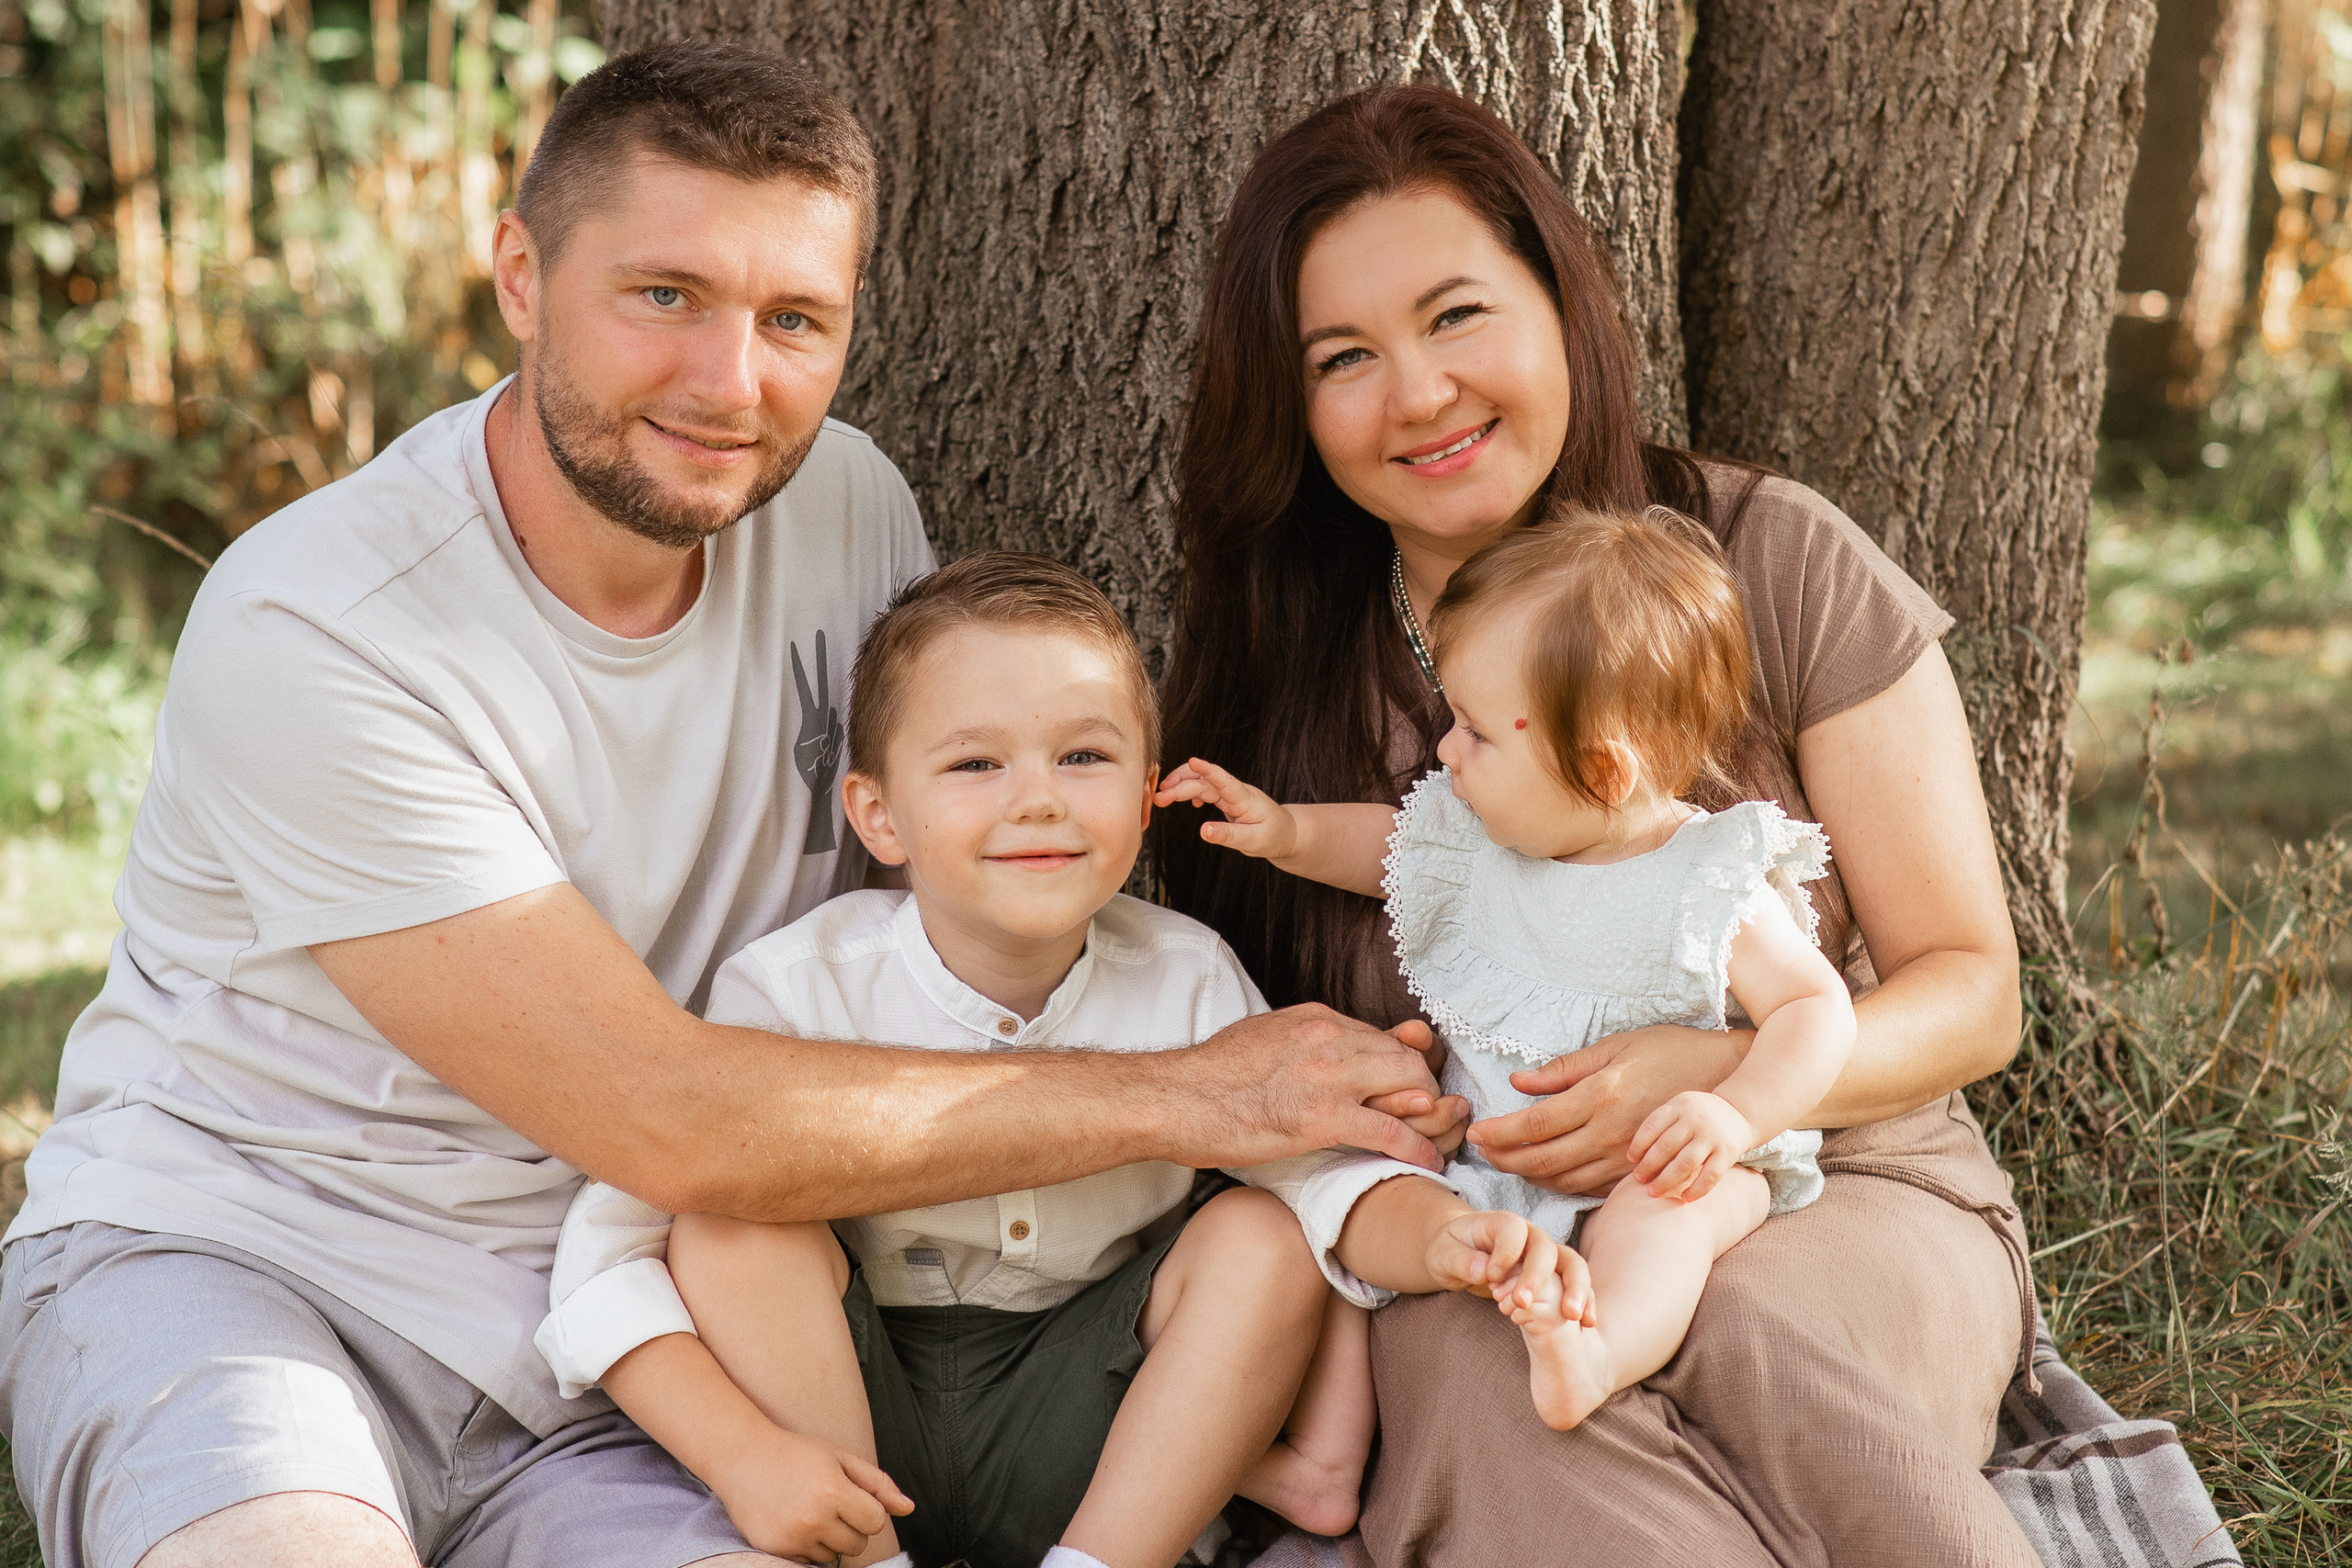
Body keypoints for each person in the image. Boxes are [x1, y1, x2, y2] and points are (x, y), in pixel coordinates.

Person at [0, 44, 1450, 1568]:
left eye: (794, 320)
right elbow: (663, 1116)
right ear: (519, 272)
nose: (728, 382)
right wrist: (1207, 1090)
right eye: (664, 296)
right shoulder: (321, 623)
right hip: (254, 1261)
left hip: (640, 1328)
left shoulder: (846, 514)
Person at [1154, 84, 2048, 1565]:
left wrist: (1721, 1079)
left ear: (1561, 306)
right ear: (1295, 408)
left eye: (1457, 316)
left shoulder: (1771, 560)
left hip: (1830, 1185)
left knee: (1742, 1317)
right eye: (1345, 359)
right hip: (1482, 1234)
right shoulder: (1277, 680)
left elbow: (1973, 986)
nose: (1421, 392)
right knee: (1496, 1383)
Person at [532, 553, 1480, 1568]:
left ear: (1149, 787)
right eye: (976, 765)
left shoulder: (1187, 976)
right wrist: (744, 1458)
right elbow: (606, 1258)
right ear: (877, 816)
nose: (1038, 800)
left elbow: (1322, 1187)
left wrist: (1423, 1200)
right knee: (728, 1211)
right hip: (842, 1422)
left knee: (1262, 1231)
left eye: (1083, 756)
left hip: (1097, 1433)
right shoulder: (799, 988)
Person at [1159, 503, 1858, 1432]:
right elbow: (1389, 847)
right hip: (1478, 1154)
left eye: (1477, 734)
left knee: (1672, 1224)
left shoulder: (1708, 879)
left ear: (1604, 771)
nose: (1444, 750)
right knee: (1365, 1188)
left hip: (1652, 1160)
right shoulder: (1479, 832)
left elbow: (1817, 1010)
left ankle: (1595, 1348)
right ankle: (1443, 1277)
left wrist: (1732, 1115)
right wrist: (1285, 831)